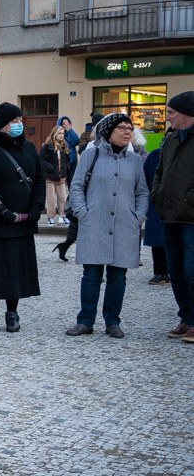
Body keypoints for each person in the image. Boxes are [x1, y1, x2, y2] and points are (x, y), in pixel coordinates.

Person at [65, 113, 149, 339]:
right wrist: (83, 213)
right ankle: (85, 321)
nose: (127, 132)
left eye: (130, 128)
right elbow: (76, 187)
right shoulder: (90, 155)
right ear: (108, 132)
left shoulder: (134, 160)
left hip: (125, 224)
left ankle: (113, 321)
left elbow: (142, 191)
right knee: (91, 276)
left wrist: (138, 216)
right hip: (94, 223)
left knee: (118, 277)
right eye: (122, 128)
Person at [0, 102, 45, 333]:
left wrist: (36, 208)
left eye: (20, 120)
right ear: (2, 124)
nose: (19, 125)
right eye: (14, 121)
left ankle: (12, 313)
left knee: (16, 270)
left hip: (22, 221)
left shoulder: (29, 148)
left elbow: (40, 179)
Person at [151, 91, 194, 344]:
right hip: (169, 215)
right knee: (175, 270)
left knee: (191, 271)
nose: (167, 117)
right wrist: (157, 195)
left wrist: (189, 199)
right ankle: (186, 319)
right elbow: (159, 171)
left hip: (190, 217)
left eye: (172, 113)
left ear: (188, 114)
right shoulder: (171, 139)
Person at [143, 132, 169, 285]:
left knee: (172, 240)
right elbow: (144, 178)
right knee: (157, 241)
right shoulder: (154, 155)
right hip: (156, 203)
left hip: (177, 205)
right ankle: (159, 272)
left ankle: (171, 271)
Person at [39, 125, 71, 226]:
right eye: (59, 133)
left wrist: (65, 169)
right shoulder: (47, 146)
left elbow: (68, 159)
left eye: (63, 134)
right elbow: (41, 160)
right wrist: (51, 168)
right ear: (54, 134)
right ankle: (50, 217)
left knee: (63, 198)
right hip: (50, 176)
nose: (61, 136)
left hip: (61, 176)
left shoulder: (64, 146)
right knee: (51, 198)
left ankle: (64, 215)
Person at [57, 116, 79, 188]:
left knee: (72, 183)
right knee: (61, 185)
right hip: (63, 163)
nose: (65, 125)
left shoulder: (71, 133)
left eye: (67, 123)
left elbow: (76, 141)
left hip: (72, 162)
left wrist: (70, 130)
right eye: (63, 124)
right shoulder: (58, 136)